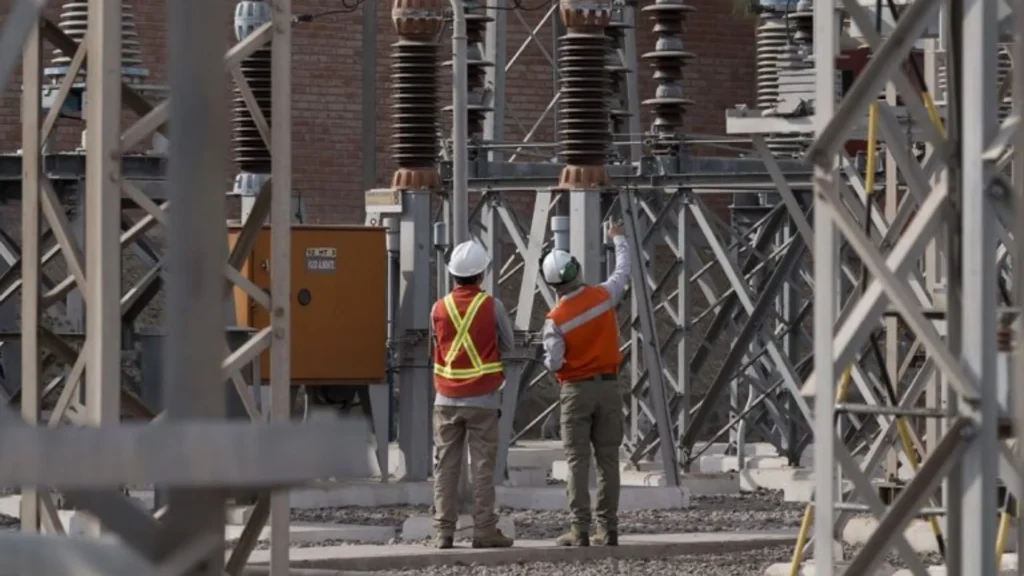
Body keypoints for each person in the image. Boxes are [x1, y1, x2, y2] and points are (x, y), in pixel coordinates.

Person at [540, 224, 630, 547]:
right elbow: (623, 270)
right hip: (609, 388)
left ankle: (579, 530)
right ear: (576, 270)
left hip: (576, 392)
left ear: (553, 284)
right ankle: (608, 528)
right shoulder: (604, 295)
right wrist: (618, 238)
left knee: (577, 461)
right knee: (608, 460)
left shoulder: (555, 319)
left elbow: (554, 362)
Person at [429, 240, 515, 550]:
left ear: (453, 273)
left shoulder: (439, 307)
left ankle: (443, 532)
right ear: (482, 274)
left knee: (445, 467)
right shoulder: (492, 306)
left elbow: (435, 347)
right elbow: (509, 344)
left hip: (445, 399)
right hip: (483, 399)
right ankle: (484, 531)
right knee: (482, 468)